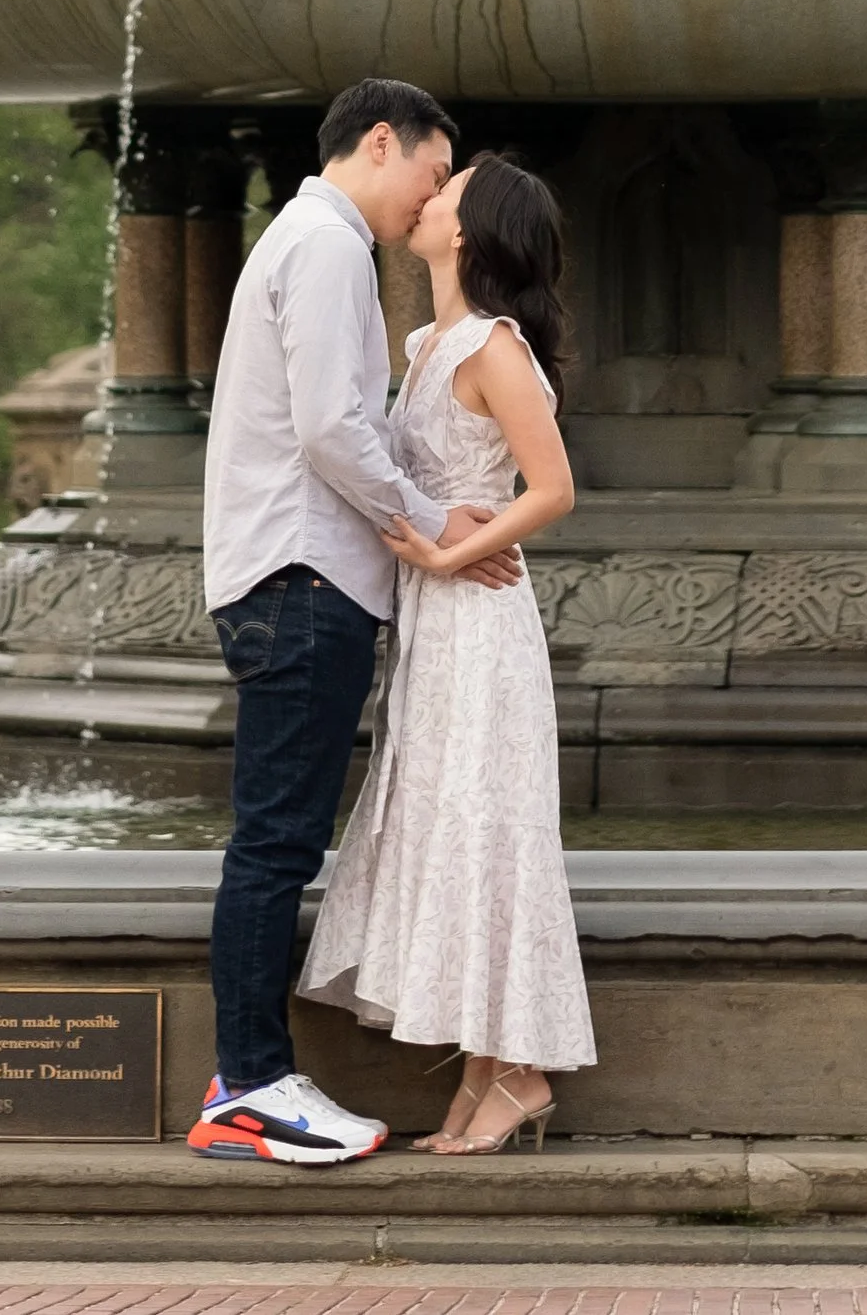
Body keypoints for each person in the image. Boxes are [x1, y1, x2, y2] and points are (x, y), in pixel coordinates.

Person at [192, 78, 521, 1170]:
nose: (429, 200)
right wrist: (437, 529)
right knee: (276, 841)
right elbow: (335, 428)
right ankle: (247, 1085)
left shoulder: (299, 239)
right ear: (381, 142)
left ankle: (249, 1077)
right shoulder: (327, 245)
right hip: (302, 581)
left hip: (287, 579)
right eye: (430, 173)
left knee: (273, 837)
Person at [302, 152, 593, 1153]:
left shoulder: (494, 348)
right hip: (435, 619)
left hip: (481, 623)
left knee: (484, 829)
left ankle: (516, 1070)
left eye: (448, 193)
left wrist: (448, 549)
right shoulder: (428, 340)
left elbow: (550, 489)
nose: (426, 198)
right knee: (450, 828)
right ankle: (489, 1075)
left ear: (468, 232)